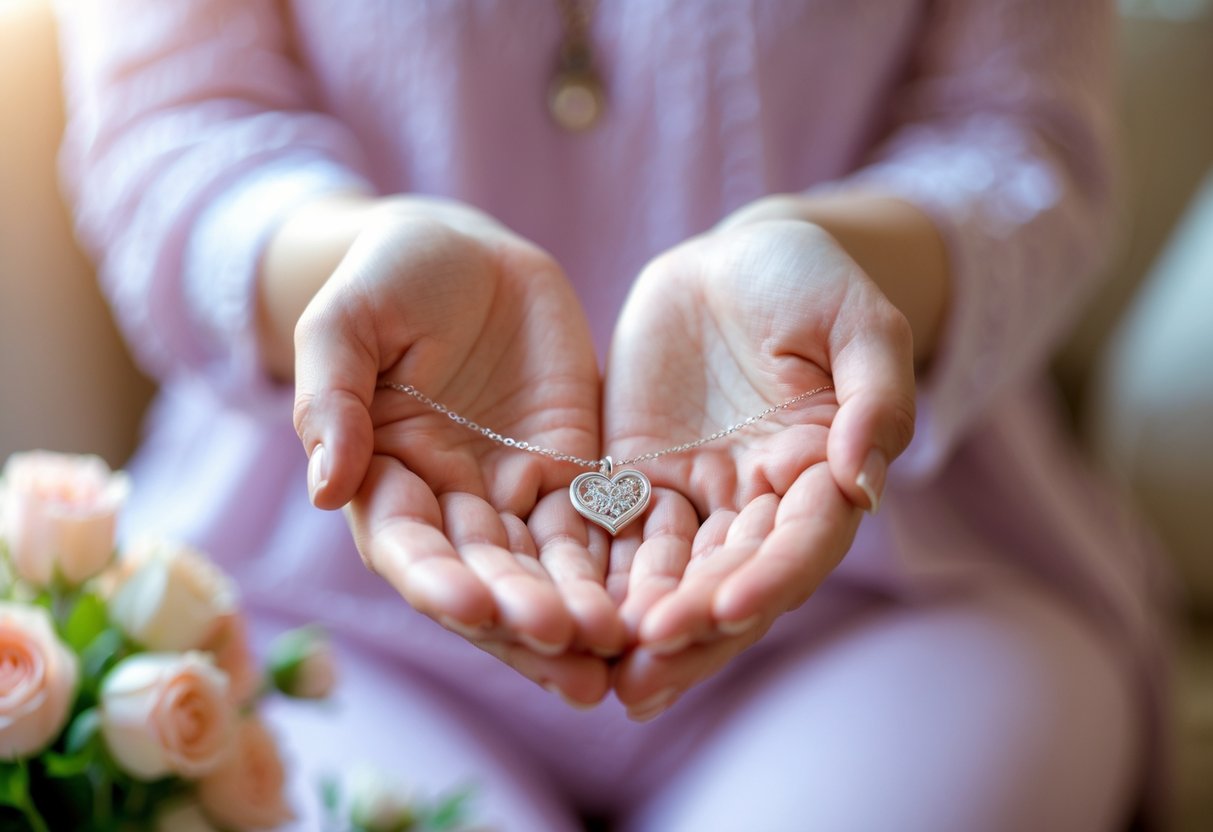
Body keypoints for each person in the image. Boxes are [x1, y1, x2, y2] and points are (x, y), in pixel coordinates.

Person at [53, 1, 1164, 829]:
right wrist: (345, 274)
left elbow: (1028, 142)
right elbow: (167, 130)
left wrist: (845, 265)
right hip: (317, 592)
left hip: (897, 587)